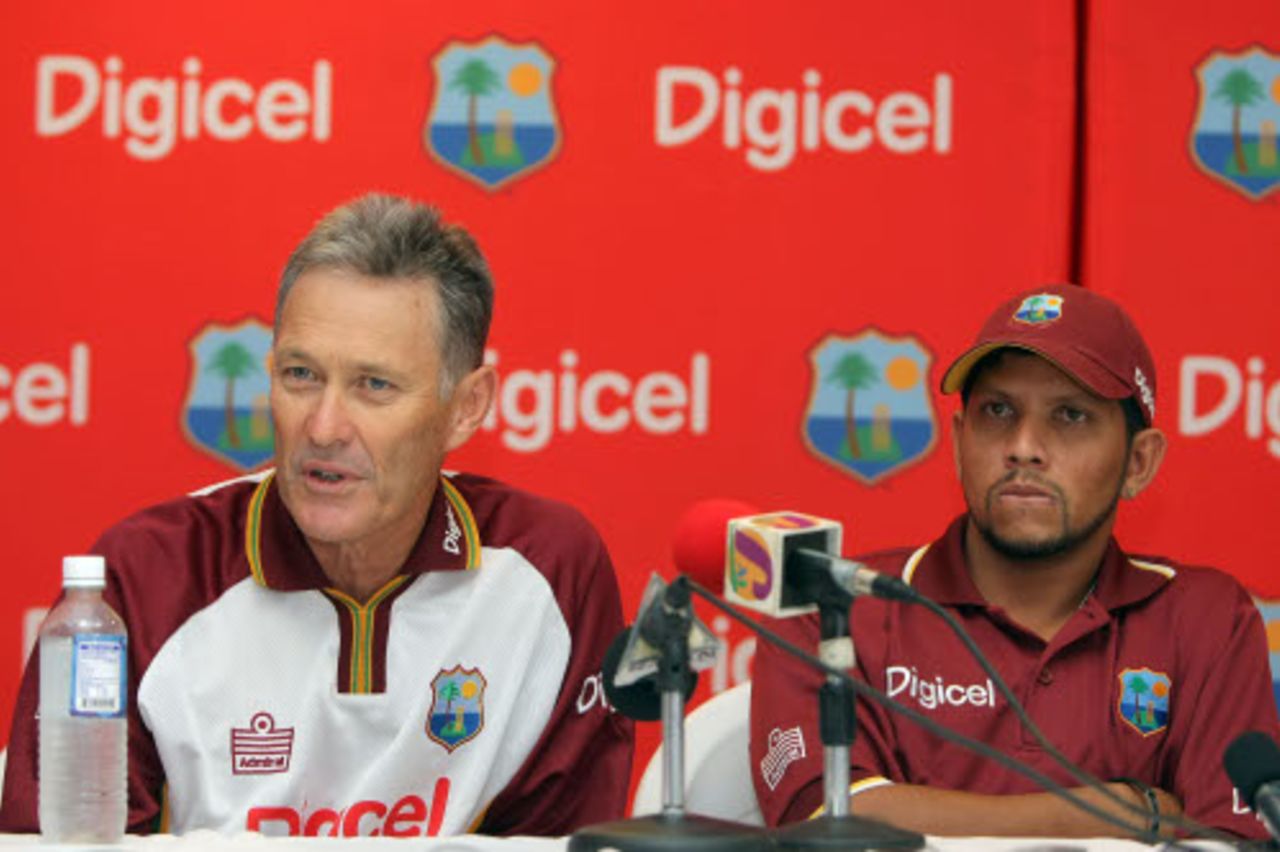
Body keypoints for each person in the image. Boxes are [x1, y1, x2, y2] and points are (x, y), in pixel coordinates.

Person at [0, 194, 633, 837]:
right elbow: (56, 845)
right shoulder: (146, 576)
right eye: (301, 375)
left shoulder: (548, 571)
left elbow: (568, 844)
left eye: (374, 386)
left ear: (467, 407)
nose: (324, 428)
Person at [751, 284, 1280, 840]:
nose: (1024, 446)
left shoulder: (1205, 619)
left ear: (1139, 463)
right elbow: (830, 825)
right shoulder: (832, 603)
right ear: (959, 442)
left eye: (1070, 416)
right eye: (998, 411)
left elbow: (1229, 839)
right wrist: (1121, 810)